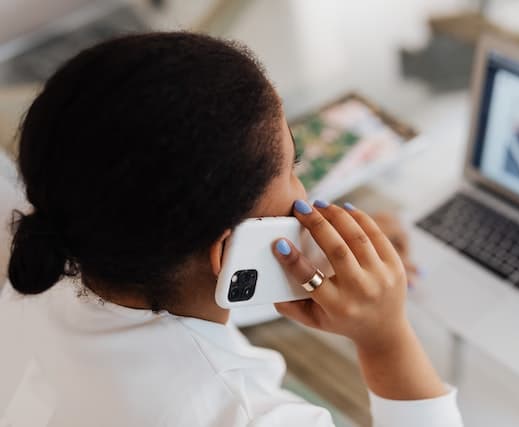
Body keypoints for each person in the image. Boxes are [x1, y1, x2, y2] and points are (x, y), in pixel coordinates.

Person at [1, 33, 463, 426]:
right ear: (227, 251)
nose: (303, 186)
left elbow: (183, 301)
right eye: (294, 166)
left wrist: (320, 275)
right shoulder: (246, 414)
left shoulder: (50, 257)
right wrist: (385, 338)